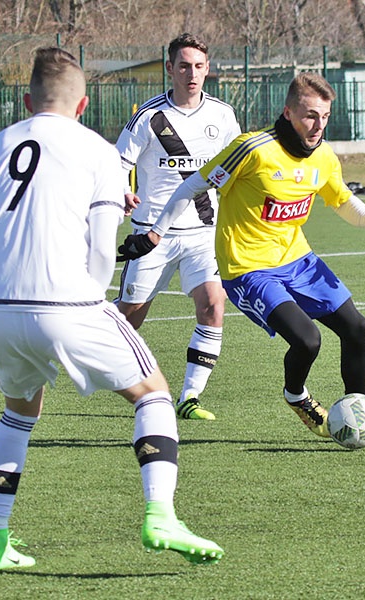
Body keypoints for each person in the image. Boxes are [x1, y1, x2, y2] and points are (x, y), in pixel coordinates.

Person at [0, 47, 223, 572]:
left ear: (27, 100)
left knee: (18, 412)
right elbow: (102, 251)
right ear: (82, 106)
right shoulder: (95, 149)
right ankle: (161, 514)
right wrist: (91, 299)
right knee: (154, 396)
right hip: (66, 300)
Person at [118, 72, 365, 445]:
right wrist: (154, 233)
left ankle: (358, 416)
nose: (318, 125)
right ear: (288, 112)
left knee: (356, 329)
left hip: (299, 260)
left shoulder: (323, 156)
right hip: (248, 269)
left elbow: (341, 198)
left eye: (325, 116)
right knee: (308, 341)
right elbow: (193, 185)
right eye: (310, 115)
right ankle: (296, 397)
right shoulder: (252, 149)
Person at [115, 33, 241, 421]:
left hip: (204, 232)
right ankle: (84, 345)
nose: (191, 73)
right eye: (183, 66)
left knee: (213, 304)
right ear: (169, 68)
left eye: (199, 66)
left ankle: (189, 396)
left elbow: (239, 165)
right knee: (127, 321)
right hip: (152, 235)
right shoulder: (150, 117)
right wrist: (122, 191)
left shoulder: (222, 115)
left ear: (207, 70)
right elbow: (118, 164)